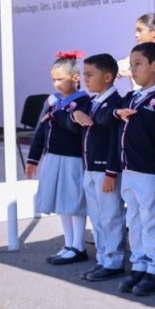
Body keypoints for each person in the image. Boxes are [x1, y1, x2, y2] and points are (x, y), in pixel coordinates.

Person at [107, 42, 155, 297]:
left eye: (138, 64)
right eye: (131, 64)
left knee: (153, 221)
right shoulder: (130, 97)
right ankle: (140, 265)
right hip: (130, 171)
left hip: (151, 174)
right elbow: (112, 122)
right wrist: (117, 113)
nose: (133, 69)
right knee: (135, 220)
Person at [26, 52, 92, 266]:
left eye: (60, 79)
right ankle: (68, 243)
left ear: (75, 77)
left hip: (73, 158)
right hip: (53, 156)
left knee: (74, 201)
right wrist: (33, 158)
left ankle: (78, 246)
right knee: (61, 203)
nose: (56, 84)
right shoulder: (52, 101)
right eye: (53, 79)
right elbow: (40, 129)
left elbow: (75, 127)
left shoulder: (83, 101)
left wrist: (59, 116)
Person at [66, 54, 126, 281]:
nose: (86, 79)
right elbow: (63, 116)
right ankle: (102, 258)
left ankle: (113, 261)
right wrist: (74, 114)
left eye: (91, 75)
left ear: (108, 77)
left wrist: (111, 171)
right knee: (97, 217)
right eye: (85, 75)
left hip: (105, 171)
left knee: (110, 216)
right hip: (89, 169)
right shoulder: (91, 102)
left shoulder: (115, 104)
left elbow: (115, 143)